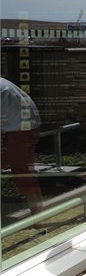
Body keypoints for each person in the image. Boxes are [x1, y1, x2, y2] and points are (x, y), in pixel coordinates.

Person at [0, 77, 43, 215]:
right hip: (22, 127)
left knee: (22, 172)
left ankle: (38, 215)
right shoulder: (4, 84)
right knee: (22, 171)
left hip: (18, 130)